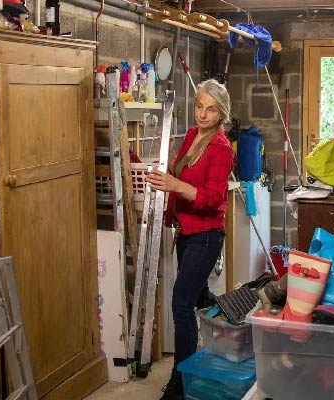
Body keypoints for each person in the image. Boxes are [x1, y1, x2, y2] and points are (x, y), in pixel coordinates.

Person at [146, 79, 235, 400]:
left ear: (221, 113)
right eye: (199, 106)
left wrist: (173, 185)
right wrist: (170, 209)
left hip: (207, 236)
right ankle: (233, 315)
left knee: (181, 305)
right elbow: (178, 179)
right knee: (199, 298)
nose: (202, 114)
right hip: (187, 233)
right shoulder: (193, 137)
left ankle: (179, 384)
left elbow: (212, 198)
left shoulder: (221, 148)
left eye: (210, 109)